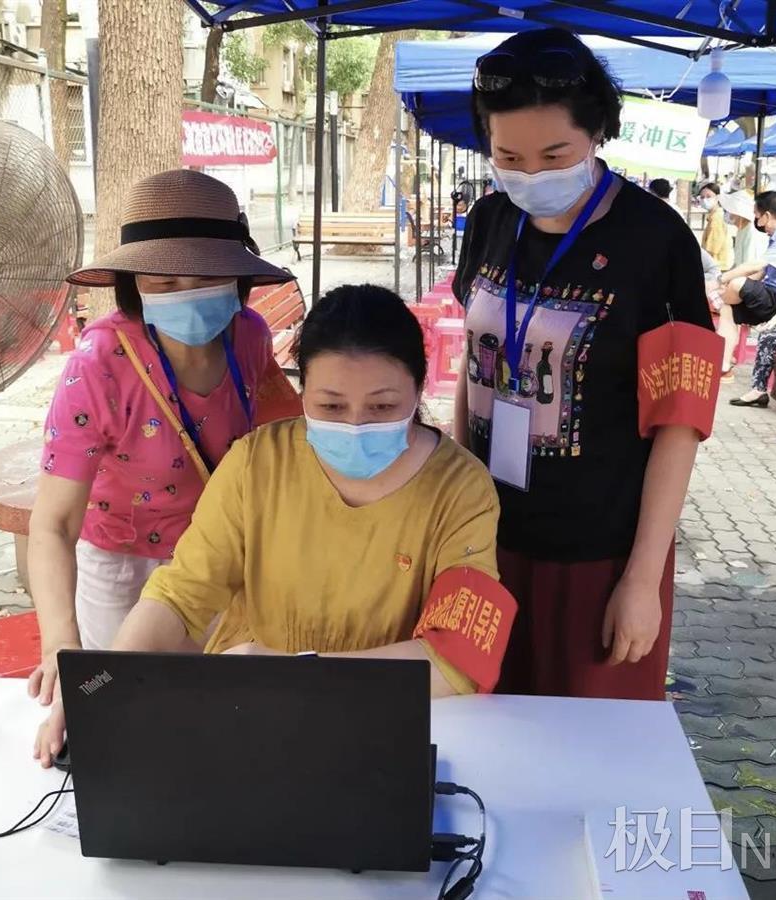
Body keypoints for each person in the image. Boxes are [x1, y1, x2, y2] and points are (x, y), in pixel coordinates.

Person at [34, 284, 517, 765]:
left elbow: (457, 658)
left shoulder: (460, 488)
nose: (355, 426)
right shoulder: (256, 464)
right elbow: (180, 596)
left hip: (384, 727)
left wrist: (294, 673)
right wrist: (99, 684)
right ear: (301, 391)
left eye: (382, 407)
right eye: (331, 406)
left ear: (419, 389)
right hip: (248, 720)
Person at [453, 28, 723, 700]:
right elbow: (471, 365)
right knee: (487, 728)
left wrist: (642, 578)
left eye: (555, 155)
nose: (531, 175)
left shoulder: (656, 240)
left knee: (591, 741)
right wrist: (452, 504)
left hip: (599, 554)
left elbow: (679, 421)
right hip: (488, 538)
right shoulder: (489, 220)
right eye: (508, 156)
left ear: (597, 133)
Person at [26, 170, 294, 713]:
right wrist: (59, 642)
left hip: (217, 557)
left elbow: (290, 435)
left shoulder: (249, 337)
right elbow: (53, 524)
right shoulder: (98, 365)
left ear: (238, 276)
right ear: (133, 284)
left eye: (205, 277)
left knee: (217, 706)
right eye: (164, 282)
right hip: (121, 566)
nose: (186, 295)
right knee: (114, 701)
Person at [724, 191, 776, 407]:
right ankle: (755, 387)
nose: (757, 222)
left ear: (766, 215)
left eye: (757, 216)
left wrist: (725, 279)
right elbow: (763, 271)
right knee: (732, 308)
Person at [713, 190, 770, 380]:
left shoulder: (753, 234)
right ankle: (724, 359)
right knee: (724, 306)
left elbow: (754, 268)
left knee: (726, 307)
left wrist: (725, 282)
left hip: (752, 285)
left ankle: (724, 361)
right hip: (743, 282)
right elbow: (739, 265)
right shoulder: (742, 231)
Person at [698, 181, 733, 272]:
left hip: (717, 266)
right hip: (717, 265)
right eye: (702, 197)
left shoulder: (716, 218)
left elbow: (711, 249)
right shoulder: (714, 216)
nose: (705, 200)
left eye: (708, 196)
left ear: (717, 197)